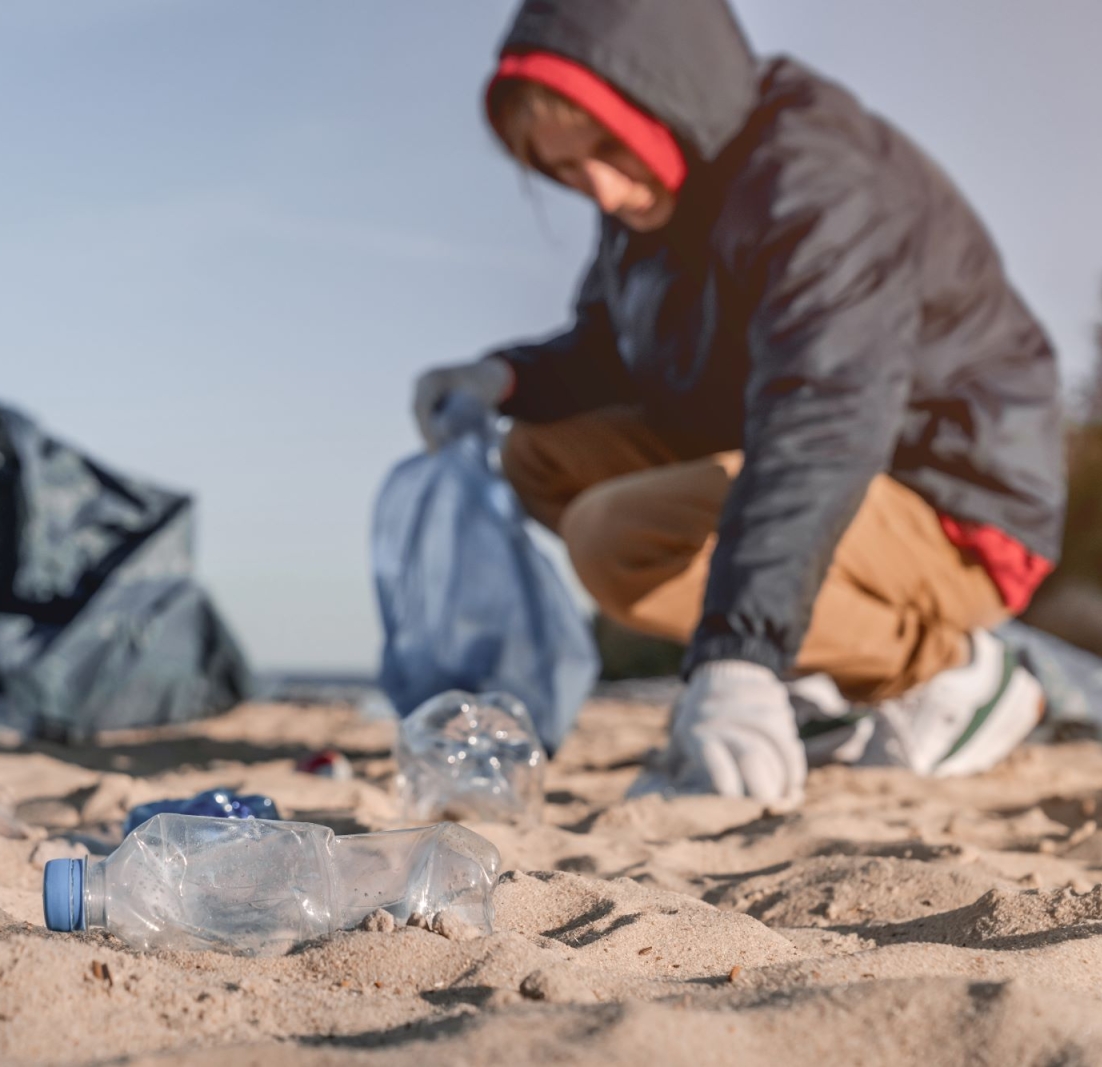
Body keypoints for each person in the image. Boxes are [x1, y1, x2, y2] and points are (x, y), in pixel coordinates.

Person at [413, 0, 1064, 802]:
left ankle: (957, 673)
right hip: (789, 454)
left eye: (610, 148)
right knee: (536, 454)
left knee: (619, 539)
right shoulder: (651, 199)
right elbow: (610, 349)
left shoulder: (819, 182)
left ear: (669, 96)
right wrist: (501, 378)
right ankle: (823, 673)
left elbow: (823, 421)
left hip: (954, 498)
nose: (604, 191)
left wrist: (737, 657)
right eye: (567, 169)